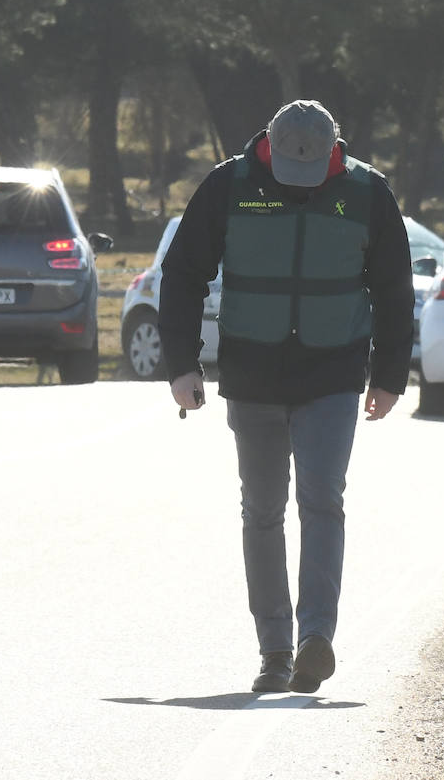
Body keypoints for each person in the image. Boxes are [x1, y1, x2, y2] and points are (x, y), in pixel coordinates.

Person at [158, 100, 414, 694]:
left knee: (323, 499)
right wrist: (181, 365)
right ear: (268, 146)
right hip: (253, 373)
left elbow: (394, 288)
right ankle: (274, 650)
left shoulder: (368, 193)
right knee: (264, 511)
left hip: (333, 371)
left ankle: (314, 638)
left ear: (335, 151)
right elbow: (184, 273)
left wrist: (390, 375)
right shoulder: (230, 185)